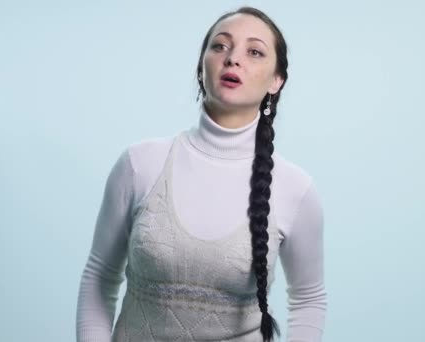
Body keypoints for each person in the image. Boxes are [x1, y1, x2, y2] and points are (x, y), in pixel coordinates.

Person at [76, 6, 327, 342]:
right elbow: (99, 277)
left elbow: (309, 299)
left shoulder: (295, 189)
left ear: (276, 81)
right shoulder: (140, 164)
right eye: (220, 46)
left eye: (254, 52)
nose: (233, 58)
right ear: (201, 66)